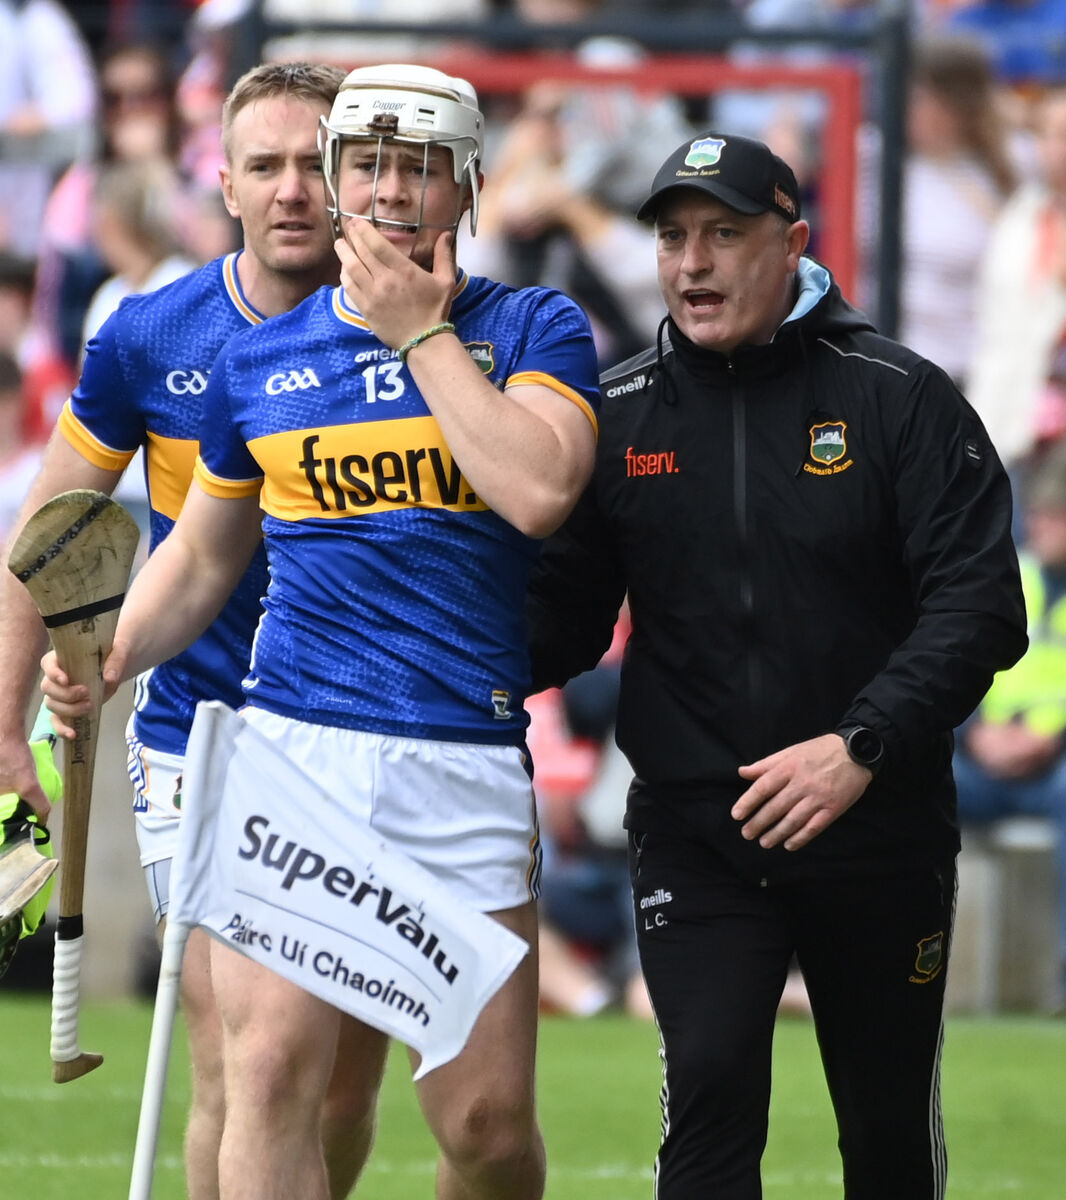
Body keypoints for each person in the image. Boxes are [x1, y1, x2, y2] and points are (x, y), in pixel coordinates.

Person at [40, 62, 600, 1200]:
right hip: (292, 762)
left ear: (467, 185)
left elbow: (539, 490)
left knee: (487, 1131)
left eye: (421, 166)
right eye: (370, 164)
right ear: (341, 182)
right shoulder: (258, 362)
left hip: (462, 761)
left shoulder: (534, 326)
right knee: (272, 1074)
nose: (393, 190)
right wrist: (113, 658)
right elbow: (199, 552)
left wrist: (418, 337)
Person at [524, 130, 1028, 1196]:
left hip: (879, 823)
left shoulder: (899, 394)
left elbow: (980, 608)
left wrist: (860, 747)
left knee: (887, 1136)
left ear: (792, 243)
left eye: (722, 234)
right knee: (705, 1104)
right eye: (671, 237)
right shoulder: (612, 415)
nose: (691, 263)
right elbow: (556, 623)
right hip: (699, 833)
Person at [0, 61, 386, 1200]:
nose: (291, 190)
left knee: (338, 1091)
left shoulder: (423, 327)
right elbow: (49, 530)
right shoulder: (147, 334)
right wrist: (5, 727)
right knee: (233, 1061)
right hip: (196, 738)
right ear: (221, 183)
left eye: (315, 164)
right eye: (262, 165)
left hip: (365, 729)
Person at [953, 443, 1066, 1010]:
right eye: (1041, 512)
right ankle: (887, 966)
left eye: (1055, 515)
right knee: (904, 783)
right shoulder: (1010, 574)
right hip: (982, 758)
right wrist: (972, 732)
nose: (1040, 524)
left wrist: (1051, 740)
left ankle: (1064, 978)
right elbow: (953, 657)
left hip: (1055, 766)